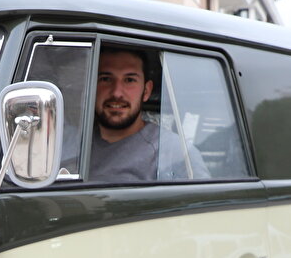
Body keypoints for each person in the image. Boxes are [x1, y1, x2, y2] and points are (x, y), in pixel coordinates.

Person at [89, 46, 209, 182]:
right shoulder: (72, 143)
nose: (117, 92)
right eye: (106, 79)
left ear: (146, 91)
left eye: (129, 80)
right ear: (91, 86)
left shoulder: (174, 153)